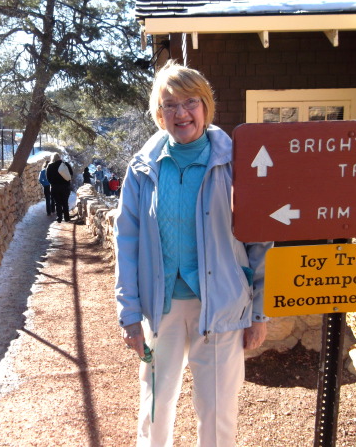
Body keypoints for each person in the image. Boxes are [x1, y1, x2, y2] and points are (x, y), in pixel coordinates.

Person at [114, 61, 272, 446]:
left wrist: (259, 311)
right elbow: (127, 242)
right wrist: (130, 314)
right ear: (158, 113)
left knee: (218, 413)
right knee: (155, 407)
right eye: (170, 104)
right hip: (161, 308)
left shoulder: (236, 163)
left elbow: (260, 240)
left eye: (190, 102)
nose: (181, 113)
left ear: (205, 106)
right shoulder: (142, 170)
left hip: (222, 306)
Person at [46, 153, 73, 223]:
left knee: (57, 203)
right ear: (59, 157)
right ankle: (66, 217)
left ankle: (59, 217)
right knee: (65, 202)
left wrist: (53, 183)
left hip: (55, 187)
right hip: (65, 187)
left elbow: (48, 177)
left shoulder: (50, 166)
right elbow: (71, 174)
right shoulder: (65, 164)